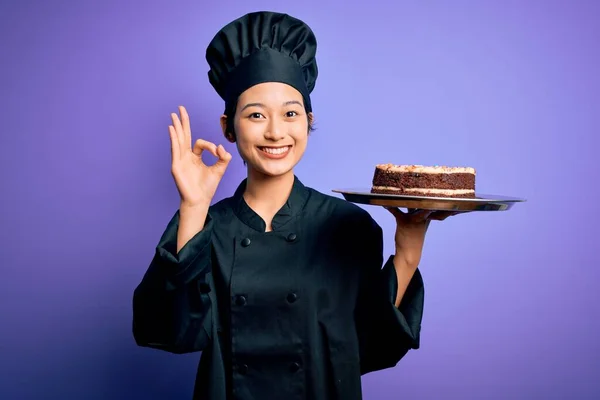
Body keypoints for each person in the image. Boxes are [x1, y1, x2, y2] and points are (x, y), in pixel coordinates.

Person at [132, 11, 456, 400]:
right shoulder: (205, 227)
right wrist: (193, 205)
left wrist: (407, 249)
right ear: (227, 127)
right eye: (255, 115)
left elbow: (372, 347)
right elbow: (170, 332)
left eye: (290, 113)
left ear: (308, 121)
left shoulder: (348, 226)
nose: (275, 131)